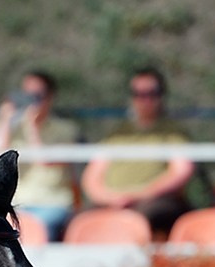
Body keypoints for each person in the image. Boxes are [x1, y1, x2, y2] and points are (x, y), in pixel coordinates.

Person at [80, 67, 196, 237]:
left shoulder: (173, 132)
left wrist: (140, 195)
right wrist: (110, 198)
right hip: (112, 201)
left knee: (142, 219)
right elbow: (92, 176)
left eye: (151, 93)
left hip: (154, 203)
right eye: (138, 93)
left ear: (161, 96)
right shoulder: (117, 133)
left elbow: (181, 171)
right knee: (78, 220)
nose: (145, 99)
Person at [0, 70, 80, 240]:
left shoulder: (65, 130)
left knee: (36, 230)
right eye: (26, 95)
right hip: (17, 203)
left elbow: (44, 160)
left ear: (50, 97)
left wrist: (32, 127)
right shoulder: (13, 129)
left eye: (37, 96)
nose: (31, 101)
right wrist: (5, 121)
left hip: (52, 203)